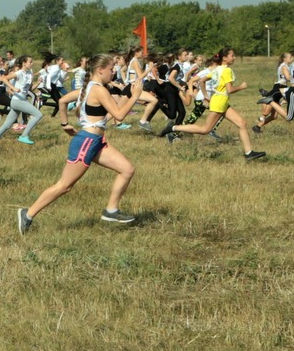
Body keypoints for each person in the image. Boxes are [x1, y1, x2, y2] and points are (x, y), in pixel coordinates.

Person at [17, 54, 143, 234]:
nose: (113, 71)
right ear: (100, 70)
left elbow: (62, 101)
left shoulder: (92, 87)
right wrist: (135, 96)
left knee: (127, 169)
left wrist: (64, 124)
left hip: (96, 141)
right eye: (111, 68)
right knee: (64, 185)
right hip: (87, 142)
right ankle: (27, 214)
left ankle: (111, 210)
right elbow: (119, 115)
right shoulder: (98, 89)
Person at [160, 47, 266, 160]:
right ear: (225, 58)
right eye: (232, 56)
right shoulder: (226, 71)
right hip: (220, 102)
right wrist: (241, 87)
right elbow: (229, 90)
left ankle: (249, 153)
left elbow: (201, 81)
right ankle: (173, 128)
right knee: (205, 130)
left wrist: (206, 95)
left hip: (221, 101)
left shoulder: (217, 69)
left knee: (242, 123)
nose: (234, 58)